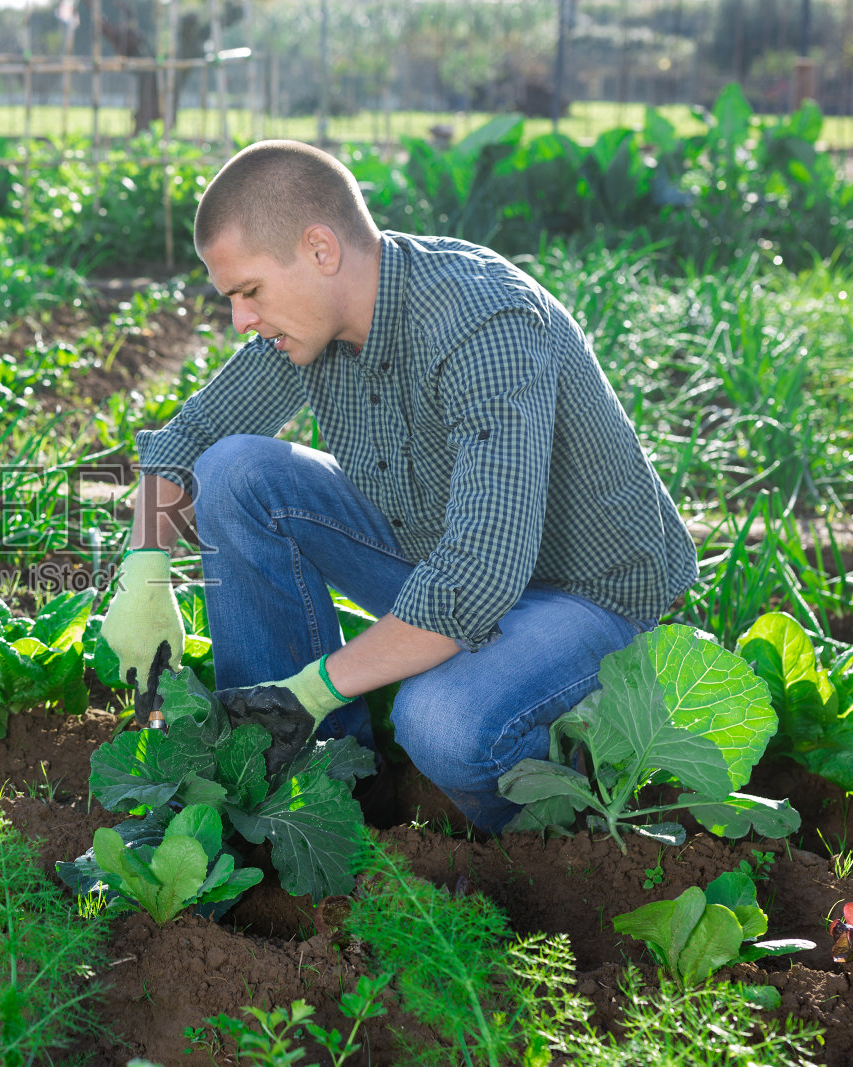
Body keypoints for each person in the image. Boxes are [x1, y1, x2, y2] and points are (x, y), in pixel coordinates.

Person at [100, 140, 698, 833]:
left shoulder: (484, 323)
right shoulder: (311, 322)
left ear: (320, 249)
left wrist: (314, 687)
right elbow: (191, 438)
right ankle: (316, 793)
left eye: (250, 292)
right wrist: (143, 570)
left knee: (442, 721)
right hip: (440, 556)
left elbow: (478, 573)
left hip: (589, 596)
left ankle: (560, 834)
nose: (242, 321)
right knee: (232, 471)